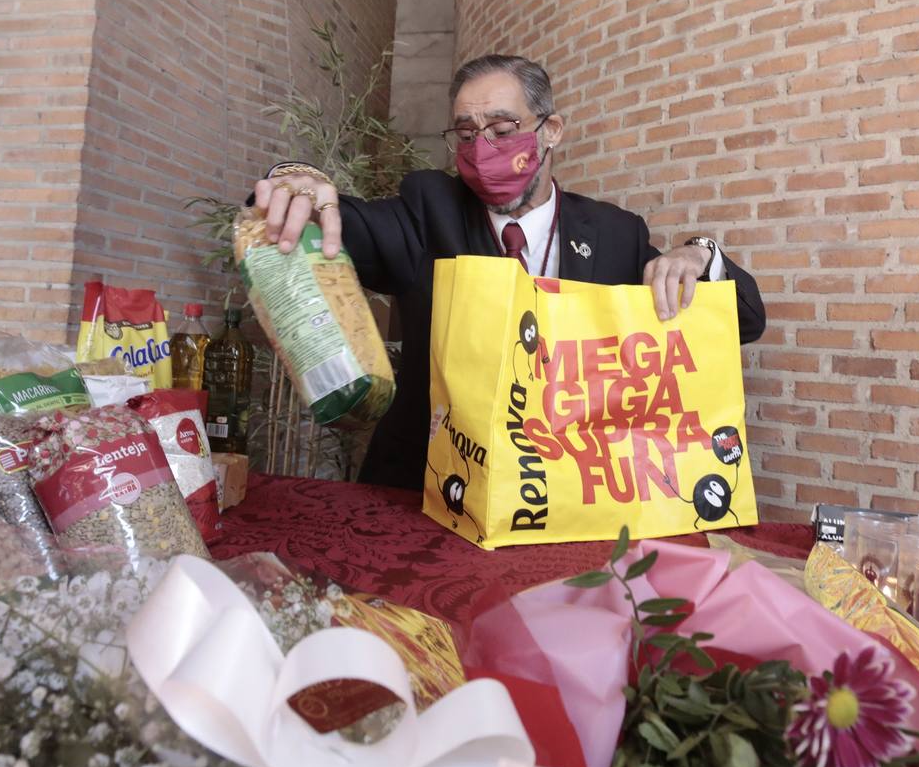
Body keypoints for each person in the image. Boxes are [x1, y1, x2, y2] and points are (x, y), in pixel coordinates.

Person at [251, 54, 766, 491]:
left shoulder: (614, 233)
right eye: (467, 133)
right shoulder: (428, 209)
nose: (483, 150)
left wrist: (700, 255)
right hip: (426, 491)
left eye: (502, 130)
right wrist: (297, 187)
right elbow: (345, 221)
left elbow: (741, 321)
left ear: (552, 130)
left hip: (562, 500)